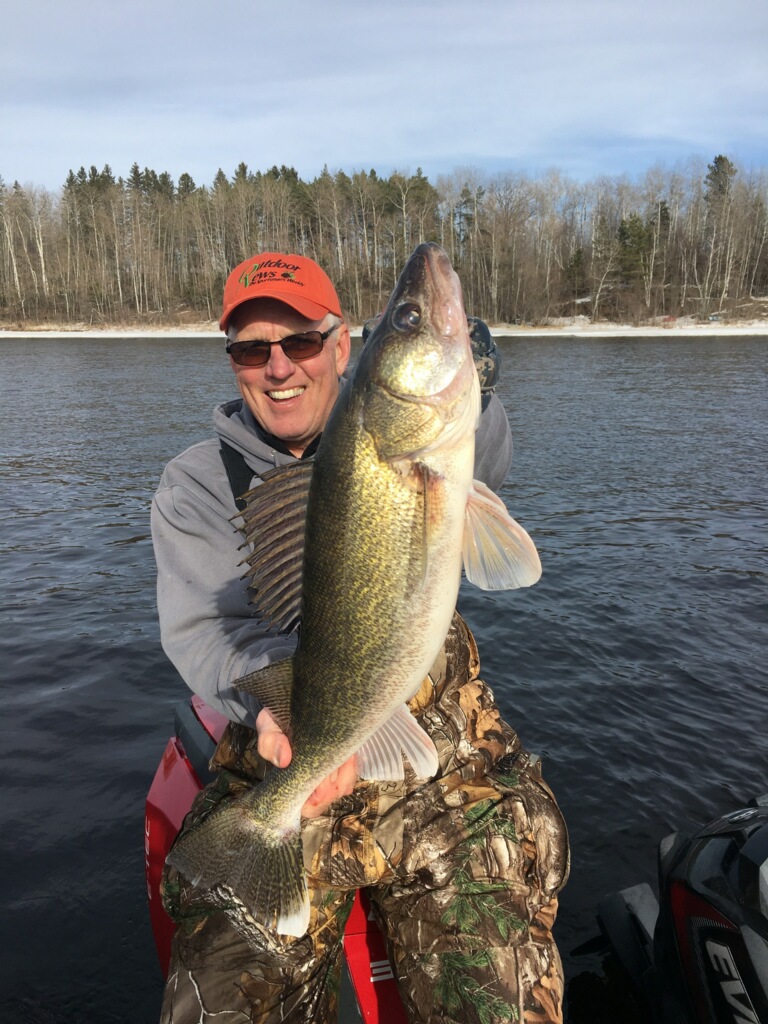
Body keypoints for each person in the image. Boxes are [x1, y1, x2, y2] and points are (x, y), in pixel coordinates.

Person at [151, 251, 569, 1024]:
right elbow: (205, 628)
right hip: (286, 739)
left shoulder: (421, 442)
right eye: (251, 349)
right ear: (234, 364)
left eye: (301, 343)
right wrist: (289, 718)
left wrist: (480, 390)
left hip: (440, 758)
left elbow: (488, 467)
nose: (278, 368)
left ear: (345, 346)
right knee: (219, 998)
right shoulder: (197, 484)